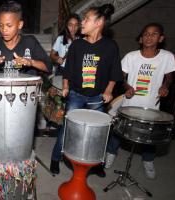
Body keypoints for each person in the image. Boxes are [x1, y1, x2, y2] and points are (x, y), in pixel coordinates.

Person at [50, 3, 123, 176]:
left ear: (99, 22)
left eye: (86, 19)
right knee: (67, 128)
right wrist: (66, 87)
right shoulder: (76, 45)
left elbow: (115, 72)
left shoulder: (110, 46)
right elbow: (68, 70)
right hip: (76, 95)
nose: (82, 22)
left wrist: (109, 90)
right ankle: (55, 157)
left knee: (96, 133)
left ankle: (96, 163)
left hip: (97, 98)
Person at [105, 23, 175, 179]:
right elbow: (121, 77)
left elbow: (169, 77)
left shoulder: (167, 57)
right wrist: (127, 87)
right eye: (145, 34)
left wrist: (165, 86)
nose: (149, 37)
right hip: (129, 104)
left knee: (149, 137)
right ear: (140, 39)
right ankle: (110, 154)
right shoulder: (131, 57)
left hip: (151, 105)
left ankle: (148, 161)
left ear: (161, 38)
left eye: (153, 34)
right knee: (118, 132)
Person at [0, 1, 51, 75]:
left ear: (20, 25)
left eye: (9, 25)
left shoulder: (30, 42)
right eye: (1, 25)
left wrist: (31, 62)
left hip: (25, 89)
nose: (4, 29)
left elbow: (49, 67)